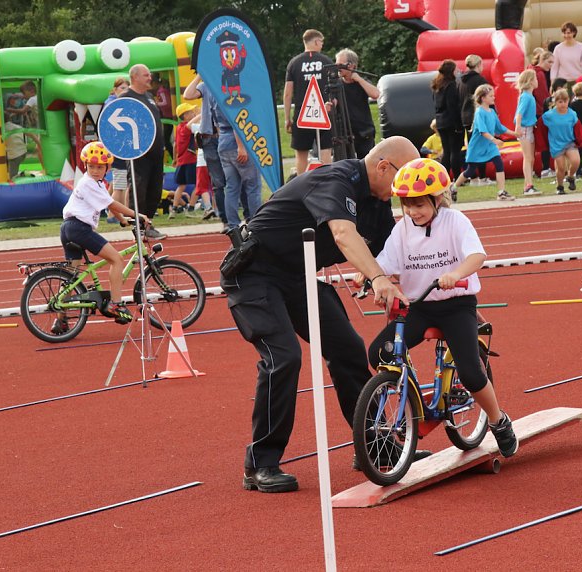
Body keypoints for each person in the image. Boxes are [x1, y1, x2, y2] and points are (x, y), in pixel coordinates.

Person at [222, 136, 420, 493]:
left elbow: (397, 252)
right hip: (254, 273)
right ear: (382, 167)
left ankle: (374, 445)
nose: (403, 189)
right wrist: (377, 278)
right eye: (402, 178)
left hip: (296, 277)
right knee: (284, 358)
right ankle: (260, 464)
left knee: (348, 349)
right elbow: (343, 233)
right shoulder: (336, 179)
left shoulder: (378, 202)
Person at [367, 158, 519, 457]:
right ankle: (412, 397)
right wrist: (370, 275)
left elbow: (476, 255)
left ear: (437, 199)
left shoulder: (455, 221)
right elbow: (385, 262)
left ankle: (498, 421)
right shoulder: (402, 229)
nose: (413, 212)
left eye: (419, 205)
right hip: (419, 307)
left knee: (471, 374)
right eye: (407, 205)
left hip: (456, 306)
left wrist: (456, 274)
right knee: (379, 353)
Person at [57, 142, 150, 331]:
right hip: (79, 229)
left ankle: (60, 319)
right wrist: (136, 215)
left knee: (71, 276)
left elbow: (108, 203)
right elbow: (112, 204)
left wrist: (122, 221)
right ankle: (116, 304)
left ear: (107, 168)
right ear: (86, 166)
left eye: (99, 167)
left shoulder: (94, 184)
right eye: (91, 166)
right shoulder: (89, 183)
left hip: (67, 228)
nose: (95, 170)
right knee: (116, 259)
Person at [119, 64, 166, 239]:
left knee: (155, 190)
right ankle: (138, 228)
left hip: (156, 153)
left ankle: (148, 225)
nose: (150, 78)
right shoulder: (126, 98)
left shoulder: (148, 96)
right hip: (138, 154)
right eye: (146, 75)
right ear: (135, 77)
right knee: (139, 190)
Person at [451, 85, 517, 201]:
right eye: (491, 96)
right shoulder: (479, 113)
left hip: (489, 146)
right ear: (483, 98)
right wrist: (495, 140)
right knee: (470, 171)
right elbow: (483, 131)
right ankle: (454, 187)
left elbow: (500, 127)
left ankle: (501, 192)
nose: (493, 98)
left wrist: (515, 134)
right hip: (477, 147)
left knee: (499, 164)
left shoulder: (492, 112)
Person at [284, 29, 333, 174]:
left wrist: (287, 118)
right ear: (316, 41)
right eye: (321, 42)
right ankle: (327, 181)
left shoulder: (294, 63)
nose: (322, 45)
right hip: (323, 112)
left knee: (301, 154)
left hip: (302, 114)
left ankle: (301, 182)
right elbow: (334, 88)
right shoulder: (326, 61)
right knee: (325, 151)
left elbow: (287, 94)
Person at [184, 74, 229, 231]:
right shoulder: (205, 85)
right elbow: (187, 95)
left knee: (233, 179)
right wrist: (199, 76)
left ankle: (239, 216)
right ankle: (225, 220)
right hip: (209, 138)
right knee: (218, 182)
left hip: (226, 136)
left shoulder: (229, 83)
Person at [212, 96, 262, 232]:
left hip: (223, 142)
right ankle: (257, 222)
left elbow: (216, 123)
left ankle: (232, 224)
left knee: (231, 187)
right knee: (253, 186)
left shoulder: (216, 97)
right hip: (237, 142)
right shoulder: (234, 98)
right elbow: (237, 121)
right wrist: (241, 146)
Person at [537, 88, 582, 194]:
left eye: (565, 101)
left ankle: (571, 176)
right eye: (560, 102)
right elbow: (539, 126)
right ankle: (560, 186)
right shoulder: (549, 115)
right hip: (556, 144)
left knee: (576, 161)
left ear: (568, 101)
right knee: (561, 167)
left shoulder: (572, 114)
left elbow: (578, 128)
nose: (563, 104)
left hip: (569, 142)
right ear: (555, 102)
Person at [334, 48, 379, 159]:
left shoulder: (362, 82)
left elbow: (375, 94)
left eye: (340, 64)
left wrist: (359, 79)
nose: (337, 68)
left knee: (367, 162)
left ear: (351, 66)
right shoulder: (337, 84)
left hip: (364, 132)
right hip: (345, 134)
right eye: (336, 64)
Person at [459, 54, 491, 185]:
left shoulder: (461, 81)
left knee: (471, 147)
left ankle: (473, 176)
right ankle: (482, 177)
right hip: (477, 117)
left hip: (465, 117)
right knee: (481, 146)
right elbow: (487, 99)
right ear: (478, 65)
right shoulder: (480, 80)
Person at [432, 59, 464, 180]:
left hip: (440, 122)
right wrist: (458, 125)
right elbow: (452, 106)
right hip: (451, 122)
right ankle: (457, 176)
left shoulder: (437, 85)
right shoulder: (451, 85)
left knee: (447, 151)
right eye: (456, 69)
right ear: (451, 71)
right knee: (455, 150)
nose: (458, 71)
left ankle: (444, 177)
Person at [104, 77, 130, 220]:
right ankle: (113, 215)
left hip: (117, 149)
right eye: (122, 88)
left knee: (116, 184)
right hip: (118, 150)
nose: (125, 91)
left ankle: (111, 212)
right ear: (115, 90)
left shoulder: (112, 102)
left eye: (127, 88)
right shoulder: (114, 104)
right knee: (120, 186)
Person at [170, 102, 199, 218]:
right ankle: (191, 207)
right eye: (191, 112)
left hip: (181, 160)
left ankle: (174, 208)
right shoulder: (187, 127)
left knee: (181, 186)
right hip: (190, 160)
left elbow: (175, 145)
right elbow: (193, 124)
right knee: (198, 184)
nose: (194, 114)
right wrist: (201, 114)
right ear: (186, 115)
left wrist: (174, 158)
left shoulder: (178, 127)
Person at [515, 69, 540, 195]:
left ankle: (528, 184)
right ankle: (528, 185)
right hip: (524, 128)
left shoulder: (529, 96)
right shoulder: (526, 97)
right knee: (528, 157)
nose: (537, 81)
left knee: (531, 158)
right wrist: (518, 126)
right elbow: (519, 113)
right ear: (530, 82)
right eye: (535, 79)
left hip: (529, 127)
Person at [151, 74, 174, 161]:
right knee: (165, 140)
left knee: (166, 140)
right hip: (166, 116)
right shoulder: (161, 91)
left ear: (154, 83)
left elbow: (166, 103)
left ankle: (173, 157)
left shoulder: (161, 91)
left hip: (168, 117)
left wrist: (156, 103)